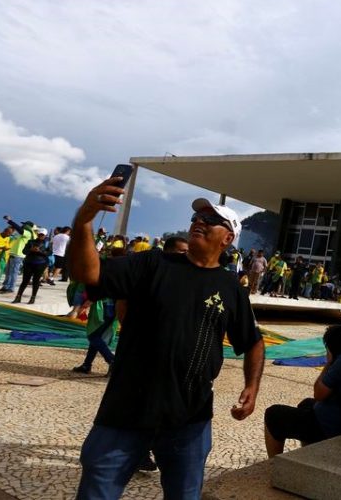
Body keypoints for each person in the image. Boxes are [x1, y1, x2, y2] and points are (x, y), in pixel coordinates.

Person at [69, 180, 265, 500]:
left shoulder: (231, 289)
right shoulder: (152, 264)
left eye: (210, 220)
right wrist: (84, 220)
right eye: (196, 219)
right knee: (96, 493)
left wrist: (252, 387)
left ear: (228, 238)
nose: (199, 222)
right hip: (125, 413)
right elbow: (87, 274)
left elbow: (253, 341)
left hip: (189, 421)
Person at [264, 325, 341, 456]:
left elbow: (318, 393)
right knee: (305, 403)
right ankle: (311, 455)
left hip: (331, 427)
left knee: (274, 414)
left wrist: (328, 363)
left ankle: (272, 465)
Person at [69, 282, 117, 375]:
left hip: (103, 307)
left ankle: (112, 360)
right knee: (96, 336)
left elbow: (97, 290)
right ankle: (86, 365)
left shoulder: (97, 273)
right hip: (112, 307)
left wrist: (83, 306)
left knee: (93, 336)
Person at [0, 216, 35, 294]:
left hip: (18, 255)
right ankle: (5, 287)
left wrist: (10, 221)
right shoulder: (22, 234)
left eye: (24, 225)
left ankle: (11, 288)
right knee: (8, 272)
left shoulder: (28, 233)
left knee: (13, 272)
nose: (23, 226)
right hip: (13, 254)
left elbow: (19, 229)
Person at [13, 227, 49, 305]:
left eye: (42, 235)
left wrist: (40, 251)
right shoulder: (31, 242)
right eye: (39, 234)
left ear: (45, 235)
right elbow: (24, 251)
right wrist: (31, 250)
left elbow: (48, 253)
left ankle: (32, 298)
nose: (41, 236)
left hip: (40, 264)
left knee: (36, 281)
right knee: (25, 281)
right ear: (37, 234)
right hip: (29, 263)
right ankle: (18, 297)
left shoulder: (47, 244)